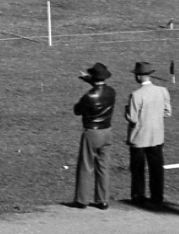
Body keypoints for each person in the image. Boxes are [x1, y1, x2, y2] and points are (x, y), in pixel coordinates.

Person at [124, 62, 171, 208]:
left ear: (138, 76)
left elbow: (132, 118)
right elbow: (167, 112)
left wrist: (126, 110)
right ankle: (157, 197)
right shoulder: (162, 91)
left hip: (139, 136)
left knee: (138, 169)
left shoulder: (136, 95)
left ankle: (138, 196)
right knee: (156, 168)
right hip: (157, 135)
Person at [71, 62, 115, 209]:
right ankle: (103, 200)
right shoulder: (111, 92)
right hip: (106, 131)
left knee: (86, 165)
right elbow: (99, 86)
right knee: (103, 166)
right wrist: (88, 79)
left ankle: (82, 200)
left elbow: (77, 110)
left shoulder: (89, 96)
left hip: (92, 132)